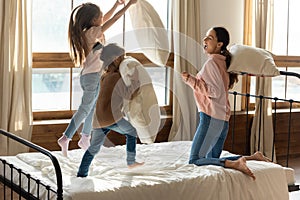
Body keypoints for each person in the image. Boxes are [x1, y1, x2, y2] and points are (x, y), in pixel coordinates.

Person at [181, 27, 270, 180]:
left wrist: (190, 80)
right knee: (211, 159)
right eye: (205, 36)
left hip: (210, 119)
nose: (205, 40)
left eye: (210, 37)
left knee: (195, 159)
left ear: (219, 44)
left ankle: (234, 164)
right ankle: (253, 158)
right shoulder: (223, 63)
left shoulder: (212, 64)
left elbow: (214, 91)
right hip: (222, 121)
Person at [58, 0, 138, 157]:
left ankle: (85, 138)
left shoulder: (89, 31)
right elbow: (113, 19)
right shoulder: (92, 32)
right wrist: (128, 5)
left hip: (93, 76)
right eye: (100, 16)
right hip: (91, 78)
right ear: (94, 20)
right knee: (85, 108)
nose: (103, 18)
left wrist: (117, 4)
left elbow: (107, 18)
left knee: (92, 108)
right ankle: (66, 137)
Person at [77, 43, 144, 177]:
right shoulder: (116, 77)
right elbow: (127, 95)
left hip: (98, 119)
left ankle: (81, 173)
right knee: (131, 132)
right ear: (115, 59)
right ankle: (131, 161)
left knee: (94, 148)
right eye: (122, 57)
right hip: (111, 118)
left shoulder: (104, 76)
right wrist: (136, 83)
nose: (124, 59)